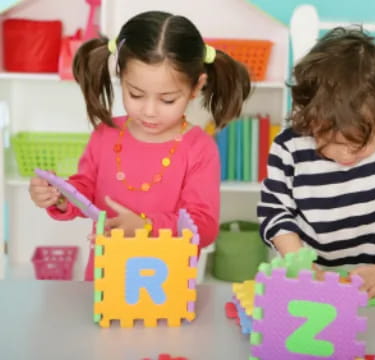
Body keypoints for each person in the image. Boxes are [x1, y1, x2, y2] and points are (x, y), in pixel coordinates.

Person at [28, 10, 251, 281]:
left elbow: (203, 228)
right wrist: (61, 197)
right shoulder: (105, 134)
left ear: (196, 87)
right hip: (104, 280)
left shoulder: (198, 148)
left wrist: (146, 226)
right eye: (135, 94)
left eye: (167, 99)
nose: (149, 111)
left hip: (168, 289)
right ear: (120, 77)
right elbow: (85, 190)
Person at [257, 27, 375, 298]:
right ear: (309, 118)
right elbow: (275, 214)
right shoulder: (289, 147)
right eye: (330, 142)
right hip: (316, 287)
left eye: (360, 145)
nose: (346, 155)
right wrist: (303, 267)